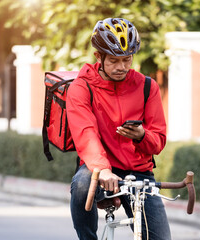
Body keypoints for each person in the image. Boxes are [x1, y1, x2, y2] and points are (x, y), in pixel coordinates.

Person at [67, 17, 170, 240]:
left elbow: (159, 140)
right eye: (114, 60)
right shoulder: (81, 87)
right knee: (82, 184)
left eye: (127, 59)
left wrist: (142, 136)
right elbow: (86, 134)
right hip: (98, 167)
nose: (122, 67)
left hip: (138, 172)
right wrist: (103, 169)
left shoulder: (147, 86)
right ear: (99, 57)